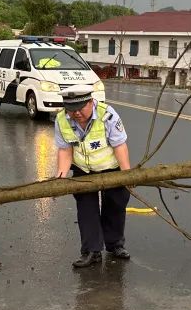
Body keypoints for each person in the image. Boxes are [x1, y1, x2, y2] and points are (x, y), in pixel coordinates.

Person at [54, 84, 132, 269]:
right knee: (86, 209)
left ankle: (115, 245)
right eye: (71, 110)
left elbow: (120, 146)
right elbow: (65, 150)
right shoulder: (61, 119)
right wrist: (61, 176)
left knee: (116, 204)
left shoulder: (108, 115)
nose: (76, 114)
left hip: (111, 169)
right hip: (83, 170)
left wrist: (127, 174)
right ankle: (91, 251)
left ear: (91, 102)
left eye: (80, 108)